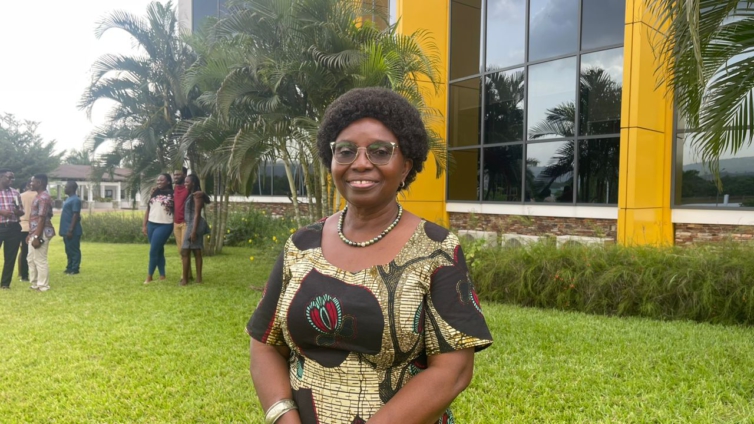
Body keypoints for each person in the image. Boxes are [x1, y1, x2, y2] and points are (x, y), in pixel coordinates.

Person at [246, 88, 493, 424]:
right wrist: (284, 418)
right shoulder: (300, 246)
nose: (361, 163)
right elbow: (265, 343)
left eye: (380, 151)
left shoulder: (437, 250)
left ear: (405, 166)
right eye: (346, 151)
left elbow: (453, 371)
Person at [142, 173, 174, 284]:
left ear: (168, 182)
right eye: (158, 180)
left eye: (161, 180)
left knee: (153, 250)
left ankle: (149, 276)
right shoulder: (154, 193)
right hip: (151, 224)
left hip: (165, 225)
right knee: (159, 250)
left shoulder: (173, 194)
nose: (159, 182)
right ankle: (162, 275)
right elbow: (148, 209)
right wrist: (144, 225)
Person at [179, 174, 210, 286]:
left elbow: (197, 214)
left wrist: (193, 231)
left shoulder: (197, 195)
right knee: (196, 251)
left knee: (185, 251)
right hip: (192, 224)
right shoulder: (193, 194)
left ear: (193, 183)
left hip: (195, 224)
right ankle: (198, 279)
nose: (185, 184)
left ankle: (185, 280)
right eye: (185, 182)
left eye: (187, 182)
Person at [27, 174, 55, 292]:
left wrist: (36, 237)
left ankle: (43, 286)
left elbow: (42, 219)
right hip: (35, 232)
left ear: (40, 183)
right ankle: (35, 283)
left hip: (41, 232)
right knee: (31, 259)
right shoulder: (38, 196)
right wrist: (30, 234)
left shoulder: (43, 197)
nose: (31, 184)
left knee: (40, 259)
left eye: (32, 182)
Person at [0, 168, 24, 290]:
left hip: (13, 228)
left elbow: (22, 211)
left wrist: (18, 212)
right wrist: (1, 212)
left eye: (13, 178)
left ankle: (5, 284)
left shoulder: (15, 193)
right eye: (9, 177)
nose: (12, 180)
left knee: (10, 257)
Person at [172, 167, 193, 281]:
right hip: (176, 223)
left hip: (186, 223)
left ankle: (184, 275)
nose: (175, 177)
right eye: (174, 175)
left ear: (185, 175)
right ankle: (188, 273)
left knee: (185, 250)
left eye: (178, 174)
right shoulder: (174, 188)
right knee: (180, 250)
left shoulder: (188, 188)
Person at [60, 181, 83, 275]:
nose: (65, 189)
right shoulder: (69, 199)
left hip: (72, 230)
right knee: (68, 250)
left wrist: (70, 229)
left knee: (74, 250)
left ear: (72, 188)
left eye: (66, 187)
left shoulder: (75, 200)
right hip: (66, 229)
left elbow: (75, 215)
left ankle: (75, 268)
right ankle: (69, 267)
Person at [18, 180, 35, 282]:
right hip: (35, 226)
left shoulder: (20, 196)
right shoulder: (38, 195)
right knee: (35, 251)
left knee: (24, 251)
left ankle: (24, 275)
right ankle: (35, 273)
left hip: (22, 225)